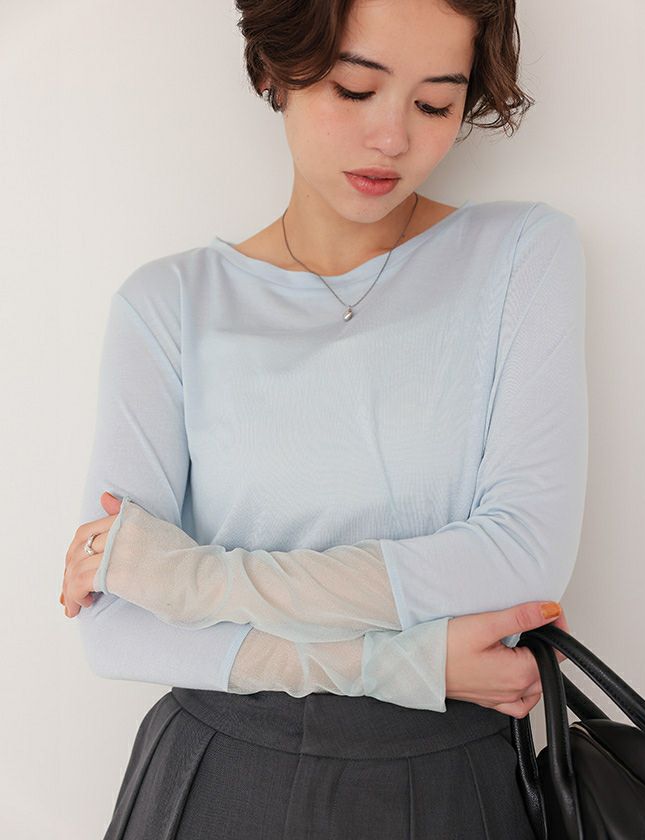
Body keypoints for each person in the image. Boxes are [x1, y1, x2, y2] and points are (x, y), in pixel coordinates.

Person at [61, 0, 587, 836]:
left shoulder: (520, 254)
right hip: (218, 773)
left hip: (448, 783)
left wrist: (192, 582)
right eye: (355, 89)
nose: (392, 137)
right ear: (276, 70)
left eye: (434, 103)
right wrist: (399, 663)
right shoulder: (168, 305)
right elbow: (117, 626)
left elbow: (522, 560)